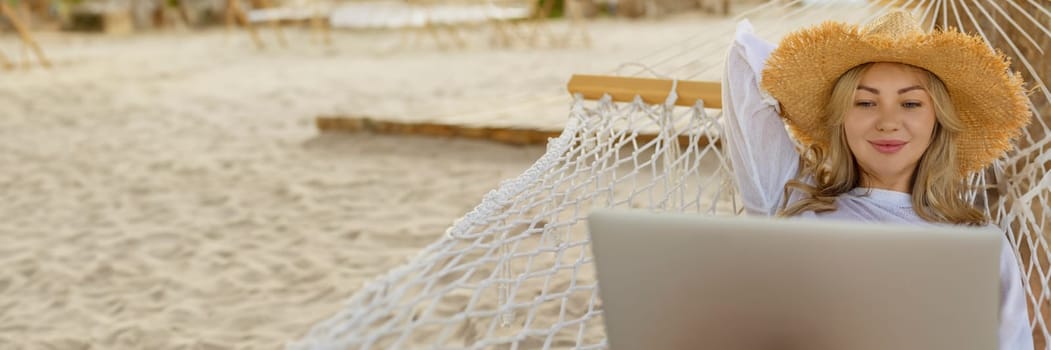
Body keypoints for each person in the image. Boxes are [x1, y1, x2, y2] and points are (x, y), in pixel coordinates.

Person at [721, 10, 1034, 349]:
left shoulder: (981, 245)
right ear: (841, 118)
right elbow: (741, 60)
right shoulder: (792, 206)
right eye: (865, 102)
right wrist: (813, 78)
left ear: (937, 121)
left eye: (911, 103)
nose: (888, 122)